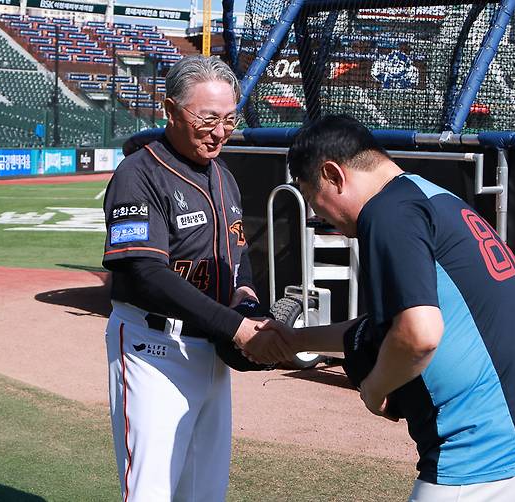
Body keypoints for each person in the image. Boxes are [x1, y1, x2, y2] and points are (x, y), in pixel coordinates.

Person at [275, 114, 515, 501]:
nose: (317, 214)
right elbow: (393, 325)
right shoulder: (428, 196)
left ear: (334, 174)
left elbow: (418, 334)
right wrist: (293, 340)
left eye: (312, 197)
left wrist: (374, 387)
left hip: (485, 448)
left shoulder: (387, 214)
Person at [102, 55, 294, 502]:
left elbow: (239, 259)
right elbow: (145, 273)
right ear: (170, 110)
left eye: (229, 118)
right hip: (154, 351)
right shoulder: (138, 174)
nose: (221, 130)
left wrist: (246, 302)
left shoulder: (223, 176)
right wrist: (236, 326)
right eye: (208, 118)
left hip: (211, 351)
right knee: (152, 491)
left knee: (204, 493)